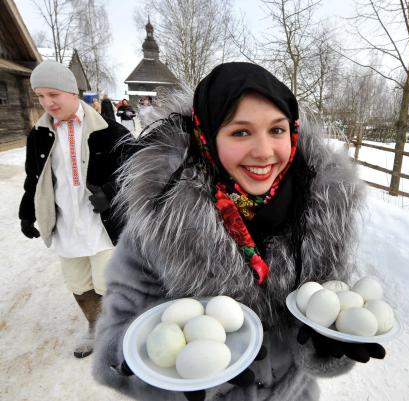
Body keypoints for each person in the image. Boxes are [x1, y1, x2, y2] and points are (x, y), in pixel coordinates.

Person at [93, 62, 385, 401]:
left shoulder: (324, 212)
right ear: (208, 137)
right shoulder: (160, 221)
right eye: (240, 132)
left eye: (276, 130)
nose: (263, 151)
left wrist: (330, 345)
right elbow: (114, 346)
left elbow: (328, 311)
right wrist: (163, 373)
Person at [18, 59, 133, 359]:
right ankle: (95, 328)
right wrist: (27, 213)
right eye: (40, 96)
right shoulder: (38, 135)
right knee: (79, 283)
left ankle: (117, 333)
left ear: (72, 92)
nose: (47, 103)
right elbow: (34, 179)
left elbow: (137, 170)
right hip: (65, 225)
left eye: (53, 95)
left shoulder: (110, 131)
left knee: (109, 282)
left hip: (102, 226)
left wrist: (110, 191)